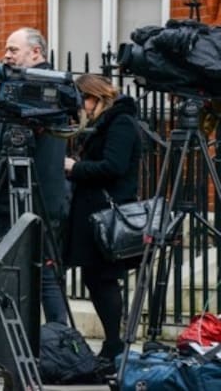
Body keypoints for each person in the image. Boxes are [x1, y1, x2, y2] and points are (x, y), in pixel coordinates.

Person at [0, 27, 70, 325]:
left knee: (43, 272)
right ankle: (10, 338)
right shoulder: (8, 95)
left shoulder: (50, 91)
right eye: (6, 50)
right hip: (2, 197)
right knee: (6, 272)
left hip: (35, 199)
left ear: (36, 52)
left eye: (13, 50)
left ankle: (58, 340)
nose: (6, 56)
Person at [63, 74, 141, 362]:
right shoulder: (103, 124)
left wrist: (75, 167)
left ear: (96, 97)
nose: (80, 107)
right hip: (93, 214)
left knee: (104, 280)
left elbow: (114, 166)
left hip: (108, 215)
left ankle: (114, 345)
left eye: (82, 99)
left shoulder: (120, 122)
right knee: (95, 279)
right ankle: (112, 344)